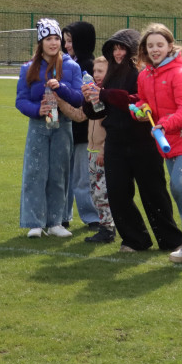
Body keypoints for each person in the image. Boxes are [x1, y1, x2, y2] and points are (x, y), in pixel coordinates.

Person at [83, 29, 182, 253]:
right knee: (118, 194)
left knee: (154, 193)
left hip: (143, 141)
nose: (118, 53)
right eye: (114, 49)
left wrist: (105, 94)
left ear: (133, 50)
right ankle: (134, 239)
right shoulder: (111, 75)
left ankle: (170, 239)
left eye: (122, 48)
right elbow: (100, 112)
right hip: (116, 142)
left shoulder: (143, 74)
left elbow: (137, 101)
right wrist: (89, 100)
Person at [135, 24, 182, 263]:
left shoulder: (180, 74)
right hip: (166, 139)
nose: (155, 49)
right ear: (145, 49)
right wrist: (140, 110)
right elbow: (143, 100)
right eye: (150, 46)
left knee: (177, 185)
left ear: (170, 46)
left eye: (160, 45)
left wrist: (164, 124)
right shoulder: (144, 75)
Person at [15, 18, 83, 239]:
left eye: (56, 38)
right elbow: (21, 100)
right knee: (35, 172)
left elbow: (79, 98)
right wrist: (38, 110)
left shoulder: (72, 67)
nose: (53, 43)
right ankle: (35, 223)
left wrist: (60, 87)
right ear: (40, 42)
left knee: (59, 173)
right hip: (38, 126)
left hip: (63, 125)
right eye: (48, 39)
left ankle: (56, 222)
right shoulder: (28, 68)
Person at [55, 55, 116, 244]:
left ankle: (108, 229)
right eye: (94, 71)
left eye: (100, 71)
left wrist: (104, 150)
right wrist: (60, 100)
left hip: (104, 152)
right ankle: (106, 226)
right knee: (95, 192)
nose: (96, 74)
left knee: (103, 192)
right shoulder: (92, 93)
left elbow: (113, 127)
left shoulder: (109, 95)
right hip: (91, 151)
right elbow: (79, 115)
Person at [61, 21, 99, 232]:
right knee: (63, 176)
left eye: (70, 41)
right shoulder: (65, 63)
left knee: (82, 177)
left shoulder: (89, 66)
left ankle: (92, 216)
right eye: (65, 41)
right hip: (64, 127)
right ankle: (62, 215)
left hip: (83, 131)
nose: (66, 45)